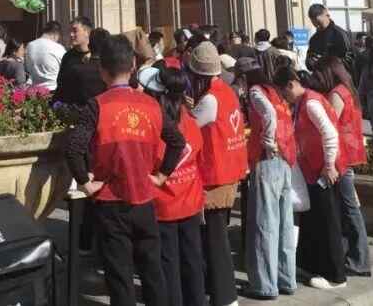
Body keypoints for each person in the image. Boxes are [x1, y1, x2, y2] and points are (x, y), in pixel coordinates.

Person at [65, 36, 184, 306]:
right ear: (132, 66)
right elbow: (177, 141)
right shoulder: (151, 104)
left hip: (110, 201)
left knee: (119, 276)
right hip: (144, 198)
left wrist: (84, 182)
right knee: (153, 271)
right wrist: (162, 175)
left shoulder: (97, 106)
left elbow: (73, 147)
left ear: (102, 70)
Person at [187, 40, 248, 306]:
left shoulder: (209, 99)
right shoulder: (227, 92)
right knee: (216, 236)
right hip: (230, 172)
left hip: (215, 178)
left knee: (214, 240)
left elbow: (189, 128)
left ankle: (225, 296)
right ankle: (217, 291)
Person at [138, 67, 205, 306]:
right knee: (193, 261)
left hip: (163, 204)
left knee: (168, 265)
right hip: (190, 198)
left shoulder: (153, 124)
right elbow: (198, 153)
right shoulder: (189, 118)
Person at [277, 66, 347, 290]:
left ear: (291, 85)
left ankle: (336, 276)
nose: (284, 97)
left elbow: (330, 133)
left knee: (328, 222)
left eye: (283, 92)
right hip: (315, 169)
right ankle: (318, 267)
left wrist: (329, 165)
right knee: (319, 221)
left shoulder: (310, 103)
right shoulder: (304, 102)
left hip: (324, 171)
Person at [240, 56, 298, 300]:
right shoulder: (274, 91)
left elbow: (269, 115)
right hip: (284, 159)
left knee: (265, 223)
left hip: (267, 160)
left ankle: (264, 285)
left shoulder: (255, 91)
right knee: (284, 224)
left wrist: (267, 141)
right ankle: (286, 279)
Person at [309, 57, 370, 277]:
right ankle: (354, 257)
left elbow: (330, 124)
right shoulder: (347, 89)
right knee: (349, 207)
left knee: (349, 208)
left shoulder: (336, 94)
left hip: (340, 157)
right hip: (348, 153)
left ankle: (359, 260)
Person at [54, 22, 108, 107]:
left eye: (75, 31)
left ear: (87, 32)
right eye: (70, 31)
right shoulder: (68, 57)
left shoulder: (104, 58)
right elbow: (61, 86)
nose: (71, 34)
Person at [25, 21, 68, 90]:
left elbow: (28, 68)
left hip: (35, 91)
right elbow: (67, 70)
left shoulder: (29, 46)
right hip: (53, 89)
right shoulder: (58, 48)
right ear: (56, 34)